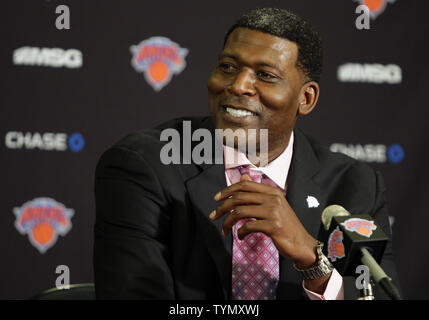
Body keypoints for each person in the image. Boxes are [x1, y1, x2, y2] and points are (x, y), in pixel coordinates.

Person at [93, 8, 400, 300]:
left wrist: (312, 260)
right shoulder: (146, 164)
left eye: (265, 75)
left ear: (306, 99)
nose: (238, 85)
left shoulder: (356, 186)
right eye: (228, 67)